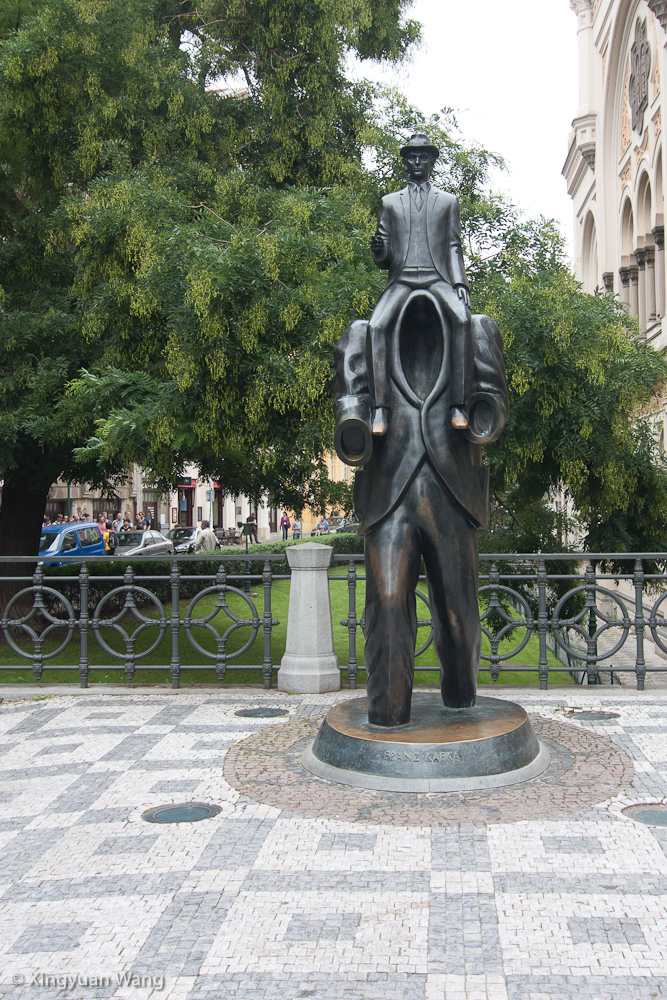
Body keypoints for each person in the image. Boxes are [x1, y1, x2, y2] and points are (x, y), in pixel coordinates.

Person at [367, 133, 472, 436]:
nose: (417, 162)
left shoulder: (448, 202)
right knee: (375, 327)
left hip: (436, 277)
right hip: (401, 280)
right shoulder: (389, 203)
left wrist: (460, 283)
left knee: (463, 319)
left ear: (432, 161)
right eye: (412, 157)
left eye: (423, 157)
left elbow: (453, 246)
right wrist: (379, 250)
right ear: (404, 162)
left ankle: (458, 405)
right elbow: (384, 256)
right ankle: (380, 409)